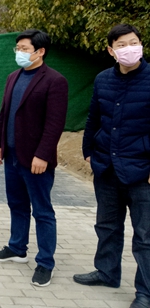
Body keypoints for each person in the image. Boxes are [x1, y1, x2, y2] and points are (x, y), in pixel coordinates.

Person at [73, 24, 150, 308]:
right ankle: (106, 272)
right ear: (111, 50)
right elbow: (94, 117)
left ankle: (145, 292)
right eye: (121, 45)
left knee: (145, 236)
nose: (129, 48)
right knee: (107, 225)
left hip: (142, 171)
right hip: (106, 166)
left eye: (134, 42)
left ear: (141, 45)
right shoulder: (103, 79)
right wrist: (88, 152)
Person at [0, 29, 68, 288]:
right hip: (12, 155)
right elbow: (4, 113)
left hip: (36, 160)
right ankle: (17, 248)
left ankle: (45, 263)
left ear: (40, 51)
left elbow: (55, 124)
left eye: (25, 49)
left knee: (42, 211)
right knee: (17, 204)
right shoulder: (13, 77)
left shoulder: (55, 81)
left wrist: (42, 155)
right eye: (18, 48)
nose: (20, 53)